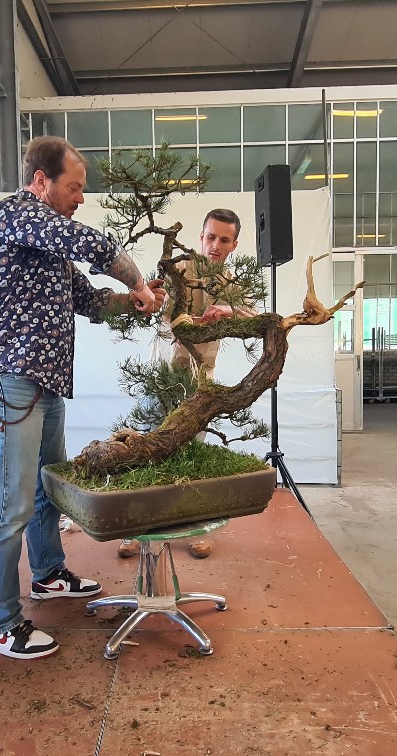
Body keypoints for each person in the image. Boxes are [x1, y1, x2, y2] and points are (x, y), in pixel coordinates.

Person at [0, 136, 167, 660]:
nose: (81, 198)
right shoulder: (13, 215)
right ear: (41, 181)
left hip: (44, 382)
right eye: (74, 187)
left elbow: (89, 300)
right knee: (9, 502)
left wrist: (134, 302)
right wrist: (138, 280)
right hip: (10, 378)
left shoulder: (47, 244)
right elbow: (92, 245)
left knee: (46, 489)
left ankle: (49, 573)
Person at [118, 208, 252, 561]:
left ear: (234, 244)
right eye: (211, 237)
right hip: (163, 374)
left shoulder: (232, 282)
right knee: (144, 446)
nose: (216, 245)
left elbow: (254, 314)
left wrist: (228, 311)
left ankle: (195, 525)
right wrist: (185, 320)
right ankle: (134, 525)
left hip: (200, 378)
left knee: (194, 451)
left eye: (224, 240)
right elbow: (155, 305)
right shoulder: (178, 270)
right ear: (201, 237)